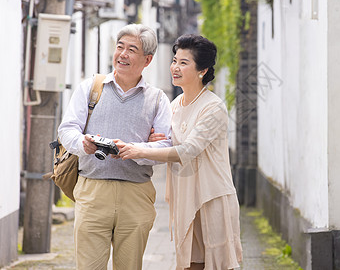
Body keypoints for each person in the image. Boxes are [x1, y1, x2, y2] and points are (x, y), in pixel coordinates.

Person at [117, 34, 243, 270]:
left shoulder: (213, 107)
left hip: (211, 197)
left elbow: (187, 150)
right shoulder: (173, 106)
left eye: (184, 63)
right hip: (185, 198)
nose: (175, 67)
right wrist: (153, 140)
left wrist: (138, 150)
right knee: (188, 264)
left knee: (216, 265)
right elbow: (166, 142)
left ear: (202, 70)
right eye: (175, 60)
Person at [58, 23, 172, 269]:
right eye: (120, 47)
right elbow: (66, 130)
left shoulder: (158, 99)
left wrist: (137, 150)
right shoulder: (91, 88)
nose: (123, 54)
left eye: (132, 49)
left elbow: (166, 146)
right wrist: (83, 144)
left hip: (136, 194)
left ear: (147, 59)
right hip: (93, 191)